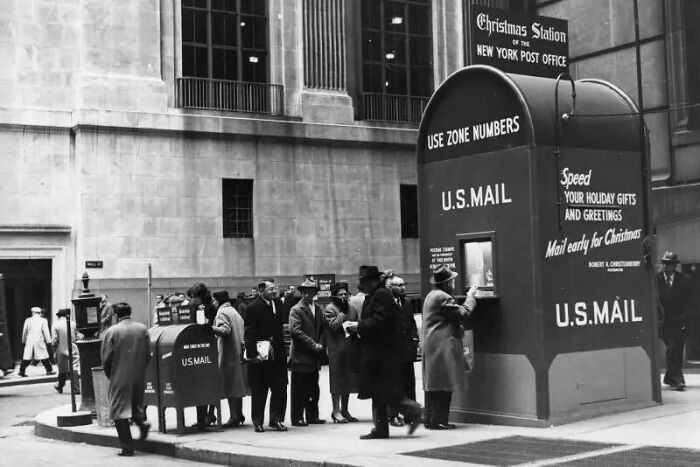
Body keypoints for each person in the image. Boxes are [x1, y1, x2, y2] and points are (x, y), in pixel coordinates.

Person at [350, 265, 422, 440]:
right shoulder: (373, 296)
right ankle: (381, 428)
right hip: (377, 354)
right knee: (381, 393)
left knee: (385, 393)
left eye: (363, 281)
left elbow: (381, 321)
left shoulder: (381, 295)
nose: (361, 285)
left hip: (382, 355)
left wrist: (359, 326)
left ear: (372, 281)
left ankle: (413, 411)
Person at [422, 265, 477, 429]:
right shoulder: (442, 297)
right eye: (452, 280)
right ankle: (439, 421)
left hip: (433, 345)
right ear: (446, 283)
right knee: (444, 384)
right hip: (442, 346)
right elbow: (463, 312)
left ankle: (431, 419)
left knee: (434, 384)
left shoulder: (431, 295)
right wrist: (471, 296)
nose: (453, 283)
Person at [100, 303, 151, 456]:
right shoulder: (142, 329)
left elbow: (106, 358)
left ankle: (127, 446)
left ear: (115, 315)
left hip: (120, 374)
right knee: (135, 404)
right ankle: (142, 425)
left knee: (118, 411)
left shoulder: (112, 331)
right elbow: (148, 354)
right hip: (138, 374)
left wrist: (110, 374)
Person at [244, 278, 289, 432]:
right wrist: (252, 354)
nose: (274, 291)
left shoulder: (279, 304)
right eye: (271, 289)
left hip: (278, 354)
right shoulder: (253, 307)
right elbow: (249, 332)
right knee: (259, 390)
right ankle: (258, 421)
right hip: (261, 354)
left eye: (275, 288)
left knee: (280, 388)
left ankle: (276, 419)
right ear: (261, 291)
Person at [288, 279, 326, 427]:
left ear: (315, 293)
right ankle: (297, 417)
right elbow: (295, 332)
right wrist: (313, 345)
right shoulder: (296, 309)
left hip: (313, 356)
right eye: (306, 292)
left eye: (311, 291)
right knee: (299, 390)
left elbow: (322, 329)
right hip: (301, 356)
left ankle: (312, 416)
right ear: (302, 293)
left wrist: (321, 344)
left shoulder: (317, 308)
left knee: (313, 388)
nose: (308, 294)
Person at [385, 272, 419, 427]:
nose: (403, 288)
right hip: (392, 351)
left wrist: (415, 339)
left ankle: (410, 415)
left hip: (407, 349)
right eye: (400, 285)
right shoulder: (386, 303)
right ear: (391, 287)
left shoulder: (407, 303)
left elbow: (411, 323)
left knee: (409, 382)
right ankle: (392, 415)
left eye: (404, 285)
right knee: (394, 384)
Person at [323, 280, 360, 423]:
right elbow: (333, 325)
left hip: (350, 347)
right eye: (341, 294)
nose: (344, 296)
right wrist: (342, 314)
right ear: (335, 296)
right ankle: (336, 410)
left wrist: (355, 327)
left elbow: (357, 321)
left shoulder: (352, 307)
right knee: (337, 380)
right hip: (336, 349)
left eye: (346, 293)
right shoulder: (330, 309)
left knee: (348, 380)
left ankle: (345, 409)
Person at [657, 252, 694, 391]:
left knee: (675, 350)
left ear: (674, 265)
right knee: (672, 349)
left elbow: (691, 302)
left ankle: (673, 378)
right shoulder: (656, 279)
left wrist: (685, 318)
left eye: (669, 264)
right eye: (664, 263)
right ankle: (675, 379)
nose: (666, 266)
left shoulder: (685, 279)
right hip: (665, 323)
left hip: (681, 322)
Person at [212, 290, 248, 427]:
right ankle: (239, 414)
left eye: (215, 300)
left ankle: (233, 417)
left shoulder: (222, 313)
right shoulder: (234, 311)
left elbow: (225, 330)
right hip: (238, 352)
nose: (214, 303)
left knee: (230, 387)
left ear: (219, 300)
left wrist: (211, 328)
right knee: (238, 386)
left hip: (229, 354)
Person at [188, 283, 219, 429]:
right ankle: (202, 417)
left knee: (208, 384)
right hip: (196, 349)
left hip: (208, 348)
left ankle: (209, 414)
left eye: (196, 297)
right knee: (198, 386)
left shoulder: (210, 308)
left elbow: (209, 325)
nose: (194, 300)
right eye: (192, 297)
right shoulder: (193, 307)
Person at [52, 308, 81, 394]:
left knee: (62, 369)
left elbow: (55, 340)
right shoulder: (73, 324)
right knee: (74, 368)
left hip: (61, 348)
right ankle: (76, 388)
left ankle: (60, 386)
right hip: (72, 347)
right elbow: (77, 336)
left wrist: (54, 350)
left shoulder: (56, 325)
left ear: (59, 316)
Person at [19, 307, 54, 377]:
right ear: (39, 313)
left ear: (32, 312)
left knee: (27, 356)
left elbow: (24, 331)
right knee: (44, 355)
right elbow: (46, 331)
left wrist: (23, 340)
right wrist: (49, 341)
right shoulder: (43, 320)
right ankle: (49, 370)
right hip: (39, 339)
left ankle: (21, 371)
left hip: (30, 340)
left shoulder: (28, 320)